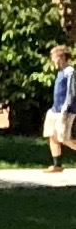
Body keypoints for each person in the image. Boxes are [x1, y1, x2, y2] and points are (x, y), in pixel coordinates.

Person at [47, 45, 74, 174]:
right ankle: (57, 164)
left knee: (64, 138)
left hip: (65, 110)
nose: (52, 59)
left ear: (62, 57)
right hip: (55, 109)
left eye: (54, 56)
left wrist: (65, 108)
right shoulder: (60, 72)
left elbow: (71, 91)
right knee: (52, 135)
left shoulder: (70, 71)